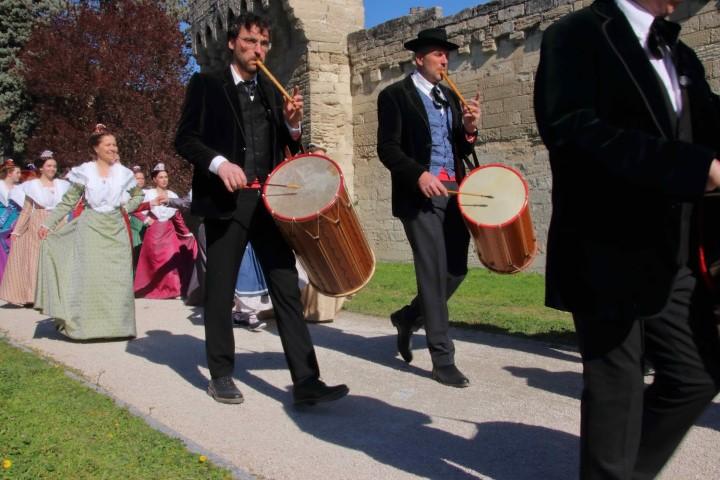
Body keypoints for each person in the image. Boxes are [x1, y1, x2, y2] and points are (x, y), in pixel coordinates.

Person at [534, 0, 720, 477]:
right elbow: (573, 131)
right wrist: (695, 168)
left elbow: (711, 125)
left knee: (695, 376)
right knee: (616, 393)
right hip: (605, 249)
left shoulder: (680, 52)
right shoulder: (574, 34)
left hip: (675, 252)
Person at [174, 12, 348, 405]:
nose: (258, 50)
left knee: (286, 289)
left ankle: (306, 382)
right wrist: (221, 165)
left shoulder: (273, 91)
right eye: (251, 42)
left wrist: (293, 127)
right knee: (220, 290)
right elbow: (185, 139)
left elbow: (290, 151)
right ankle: (220, 374)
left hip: (269, 202)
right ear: (232, 43)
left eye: (264, 44)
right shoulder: (206, 85)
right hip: (226, 203)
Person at [376, 27, 481, 387]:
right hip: (419, 195)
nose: (444, 59)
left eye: (446, 54)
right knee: (433, 272)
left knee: (456, 271)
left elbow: (460, 151)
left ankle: (408, 317)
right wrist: (419, 175)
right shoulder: (394, 96)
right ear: (419, 58)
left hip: (454, 192)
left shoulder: (450, 97)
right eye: (438, 54)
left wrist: (467, 130)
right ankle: (442, 358)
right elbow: (387, 149)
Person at [35, 124, 146, 340]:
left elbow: (138, 196)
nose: (113, 148)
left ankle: (119, 328)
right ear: (96, 148)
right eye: (108, 145)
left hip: (115, 230)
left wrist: (125, 209)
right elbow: (69, 201)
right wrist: (48, 224)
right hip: (90, 228)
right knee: (90, 279)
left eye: (115, 144)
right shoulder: (83, 172)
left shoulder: (124, 173)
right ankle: (84, 328)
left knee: (117, 280)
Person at [0, 151, 69, 305]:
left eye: (54, 166)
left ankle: (58, 293)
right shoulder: (32, 186)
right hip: (38, 221)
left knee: (57, 258)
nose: (52, 169)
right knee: (35, 259)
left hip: (58, 222)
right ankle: (34, 296)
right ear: (41, 168)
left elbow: (66, 207)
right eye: (49, 166)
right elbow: (26, 211)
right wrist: (17, 231)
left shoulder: (62, 185)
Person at [133, 163, 197, 299]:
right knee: (154, 261)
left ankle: (173, 290)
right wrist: (146, 219)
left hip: (169, 232)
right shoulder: (148, 194)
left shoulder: (172, 195)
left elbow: (177, 217)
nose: (164, 180)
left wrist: (186, 233)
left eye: (166, 177)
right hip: (154, 232)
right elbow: (134, 209)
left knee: (171, 259)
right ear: (155, 179)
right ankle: (152, 288)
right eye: (161, 177)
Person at [300, 143, 347, 323]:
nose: (322, 159)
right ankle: (312, 310)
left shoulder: (331, 175)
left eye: (324, 156)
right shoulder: (304, 176)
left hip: (329, 224)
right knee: (313, 266)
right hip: (311, 226)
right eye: (318, 156)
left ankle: (329, 310)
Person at [0, 159, 24, 282]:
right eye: (17, 172)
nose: (20, 175)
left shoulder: (19, 188)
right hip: (2, 224)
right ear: (9, 173)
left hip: (16, 224)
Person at [129, 166, 148, 270]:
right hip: (135, 227)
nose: (140, 180)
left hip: (147, 227)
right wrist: (144, 218)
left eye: (142, 178)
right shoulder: (129, 194)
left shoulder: (148, 193)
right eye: (137, 178)